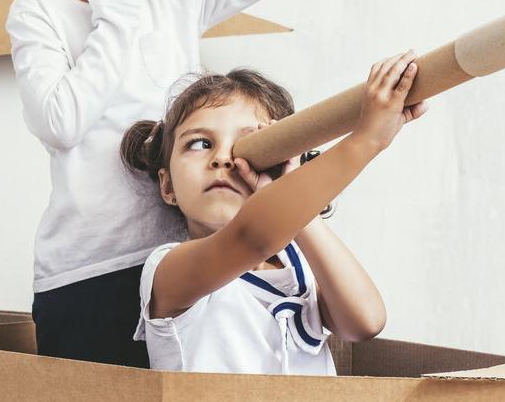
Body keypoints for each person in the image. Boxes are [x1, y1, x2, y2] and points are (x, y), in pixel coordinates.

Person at [0, 0, 299, 365]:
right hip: (91, 272)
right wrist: (114, 19)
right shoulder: (38, 9)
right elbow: (59, 124)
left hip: (185, 259)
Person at [120, 56, 426, 374]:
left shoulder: (302, 269)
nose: (222, 158)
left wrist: (294, 200)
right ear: (167, 185)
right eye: (200, 143)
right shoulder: (167, 271)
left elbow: (366, 322)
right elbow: (252, 237)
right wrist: (368, 139)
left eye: (248, 143)